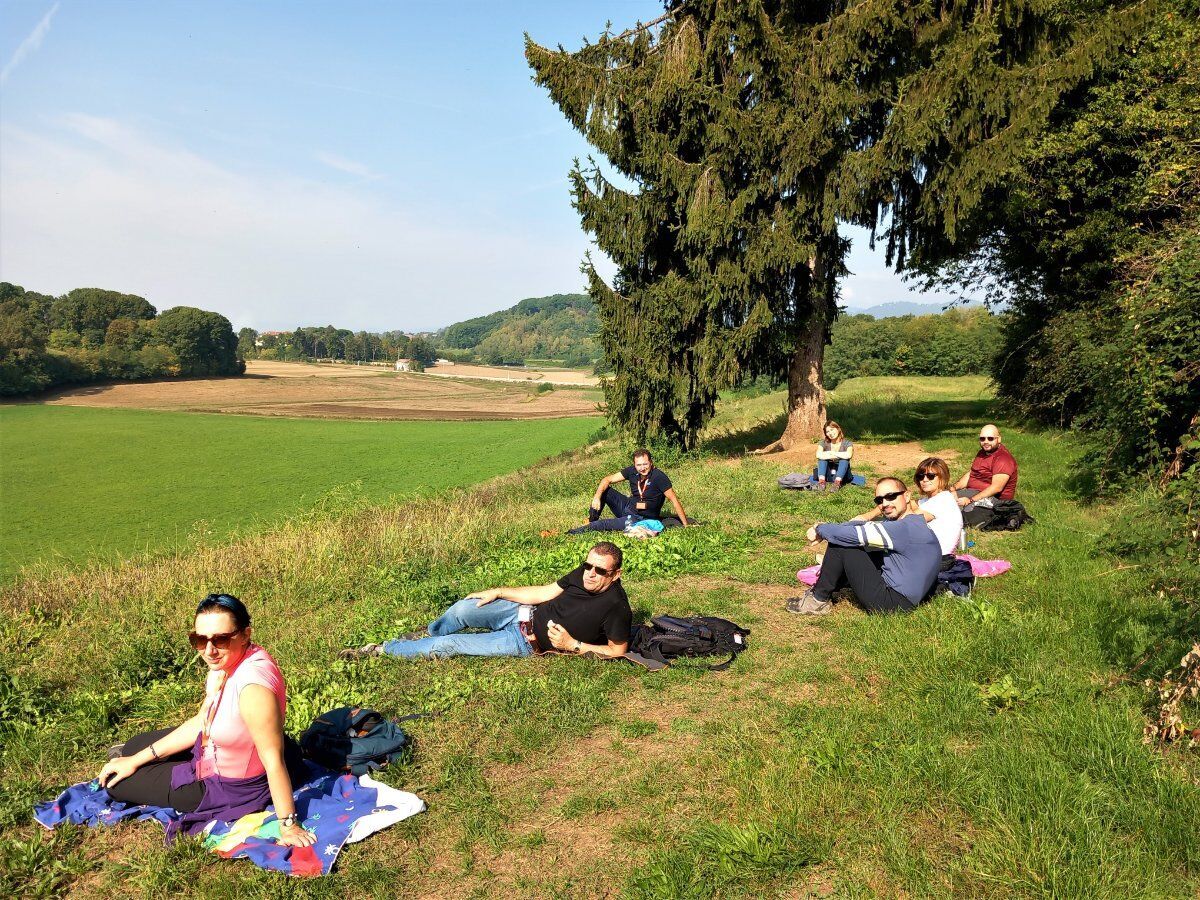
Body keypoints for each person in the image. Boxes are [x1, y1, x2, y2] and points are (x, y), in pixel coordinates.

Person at [96, 594, 316, 845]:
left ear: (245, 634)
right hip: (217, 748)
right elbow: (203, 721)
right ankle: (136, 759)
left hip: (226, 786)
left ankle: (152, 769)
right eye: (200, 640)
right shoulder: (233, 661)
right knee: (135, 746)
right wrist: (136, 759)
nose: (209, 650)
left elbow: (273, 761)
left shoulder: (252, 690)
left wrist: (288, 826)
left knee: (116, 785)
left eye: (221, 639)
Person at [341, 542, 632, 661]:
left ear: (615, 574)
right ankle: (428, 632)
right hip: (522, 612)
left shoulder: (616, 606)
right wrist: (500, 592)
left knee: (449, 646)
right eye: (587, 566)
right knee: (464, 608)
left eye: (599, 571)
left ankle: (381, 650)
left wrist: (574, 646)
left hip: (524, 642)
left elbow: (618, 650)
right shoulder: (582, 574)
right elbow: (543, 593)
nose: (590, 574)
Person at [787, 476, 941, 615]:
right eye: (879, 500)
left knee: (842, 544)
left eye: (891, 496)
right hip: (909, 597)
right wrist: (833, 528)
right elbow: (861, 527)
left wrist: (819, 528)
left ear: (907, 496)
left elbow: (847, 535)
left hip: (893, 603)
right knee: (856, 542)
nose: (885, 503)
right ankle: (829, 587)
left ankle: (818, 600)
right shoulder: (914, 524)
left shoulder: (903, 529)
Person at [843, 458, 962, 570]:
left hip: (939, 561)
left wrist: (869, 526)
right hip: (929, 555)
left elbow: (906, 523)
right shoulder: (928, 501)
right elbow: (898, 504)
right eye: (921, 476)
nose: (924, 480)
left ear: (943, 477)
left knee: (869, 552)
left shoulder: (943, 500)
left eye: (930, 476)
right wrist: (867, 516)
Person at [578, 449, 690, 531]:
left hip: (640, 518)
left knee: (602, 525)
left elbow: (674, 500)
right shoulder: (631, 471)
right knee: (604, 490)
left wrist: (686, 525)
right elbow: (607, 479)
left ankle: (573, 532)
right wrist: (597, 497)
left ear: (651, 463)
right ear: (635, 465)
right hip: (627, 506)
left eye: (645, 464)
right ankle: (592, 519)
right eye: (639, 465)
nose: (642, 468)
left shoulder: (659, 477)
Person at [954, 423, 1018, 510]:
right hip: (973, 492)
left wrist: (970, 500)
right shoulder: (982, 453)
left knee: (947, 504)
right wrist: (953, 488)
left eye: (990, 438)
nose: (986, 441)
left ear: (999, 439)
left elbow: (996, 488)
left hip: (993, 500)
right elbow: (972, 474)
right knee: (942, 497)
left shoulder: (1003, 459)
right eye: (982, 438)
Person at [814, 420, 854, 492]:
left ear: (838, 429)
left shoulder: (847, 443)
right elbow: (818, 455)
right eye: (827, 432)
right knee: (822, 458)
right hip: (829, 473)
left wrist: (832, 453)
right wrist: (829, 454)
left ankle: (837, 483)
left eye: (832, 430)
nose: (830, 433)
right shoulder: (823, 443)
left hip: (844, 475)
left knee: (844, 459)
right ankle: (821, 483)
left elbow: (848, 455)